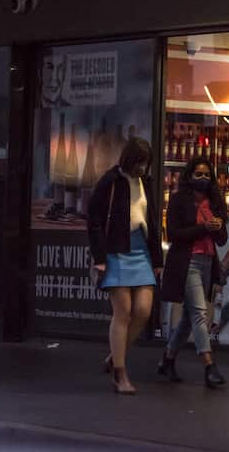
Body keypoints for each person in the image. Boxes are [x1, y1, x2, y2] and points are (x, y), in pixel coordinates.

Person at [88, 137, 163, 395]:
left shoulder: (146, 183)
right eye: (139, 163)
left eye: (146, 163)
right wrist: (99, 257)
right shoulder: (110, 181)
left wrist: (157, 260)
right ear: (129, 159)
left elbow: (152, 221)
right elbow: (94, 218)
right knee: (124, 312)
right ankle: (120, 373)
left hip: (142, 250)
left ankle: (114, 357)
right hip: (116, 251)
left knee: (143, 311)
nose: (142, 168)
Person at [158, 155, 229, 388]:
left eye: (207, 175)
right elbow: (175, 234)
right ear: (189, 176)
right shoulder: (179, 200)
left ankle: (168, 360)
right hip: (187, 262)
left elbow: (222, 240)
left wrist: (218, 228)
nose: (203, 178)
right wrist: (203, 228)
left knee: (189, 318)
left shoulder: (214, 202)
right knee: (200, 313)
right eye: (198, 174)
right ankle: (209, 366)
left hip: (207, 261)